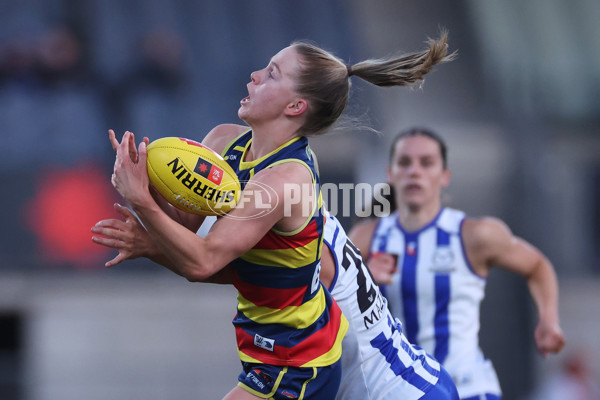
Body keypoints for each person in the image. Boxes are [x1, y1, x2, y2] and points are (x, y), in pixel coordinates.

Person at [98, 35, 455, 400]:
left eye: (271, 73)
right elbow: (213, 250)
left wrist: (141, 202)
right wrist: (148, 183)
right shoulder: (227, 144)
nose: (253, 76)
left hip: (373, 382)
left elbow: (203, 262)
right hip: (285, 358)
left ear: (297, 105)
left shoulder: (285, 182)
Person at [348, 127, 566, 399]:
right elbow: (331, 300)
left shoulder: (475, 234)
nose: (414, 171)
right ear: (390, 174)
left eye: (426, 163)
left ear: (445, 176)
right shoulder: (367, 237)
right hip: (401, 392)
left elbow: (537, 266)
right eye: (405, 162)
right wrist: (364, 277)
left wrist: (549, 320)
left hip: (468, 388)